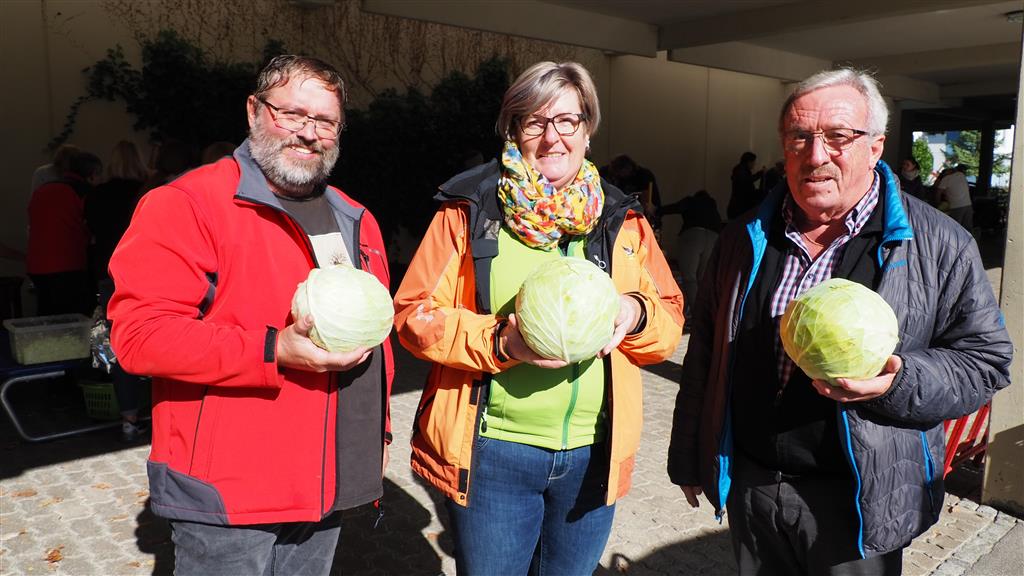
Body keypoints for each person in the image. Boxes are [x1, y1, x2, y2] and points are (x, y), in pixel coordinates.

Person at [667, 68, 1012, 575]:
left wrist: (899, 381)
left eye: (838, 136)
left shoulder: (941, 243)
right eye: (799, 137)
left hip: (858, 500)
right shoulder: (742, 236)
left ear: (875, 147)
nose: (816, 155)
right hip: (752, 485)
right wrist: (689, 453)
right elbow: (705, 353)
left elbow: (985, 362)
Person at [107, 55, 394, 575]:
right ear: (253, 110)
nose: (308, 133)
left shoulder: (356, 218)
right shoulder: (188, 204)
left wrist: (380, 436)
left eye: (325, 121)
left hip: (327, 486)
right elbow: (140, 336)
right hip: (230, 496)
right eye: (292, 114)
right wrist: (273, 349)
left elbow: (377, 339)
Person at [394, 61, 683, 575]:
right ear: (513, 129)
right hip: (494, 455)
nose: (553, 137)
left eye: (567, 120)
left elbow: (669, 318)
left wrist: (635, 312)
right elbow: (414, 314)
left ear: (587, 130)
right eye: (535, 122)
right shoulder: (470, 207)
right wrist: (500, 342)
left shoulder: (622, 217)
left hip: (592, 456)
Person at [86, 140, 150, 442]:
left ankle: (129, 417)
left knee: (120, 343)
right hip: (145, 271)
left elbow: (91, 232)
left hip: (109, 273)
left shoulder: (96, 194)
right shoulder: (147, 191)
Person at [27, 151, 102, 316]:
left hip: (37, 265)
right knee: (75, 316)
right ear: (92, 174)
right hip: (68, 263)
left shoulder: (43, 189)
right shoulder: (84, 192)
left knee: (47, 314)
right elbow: (94, 227)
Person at [658, 189, 722, 324]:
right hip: (713, 237)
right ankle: (707, 315)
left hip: (693, 236)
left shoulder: (691, 201)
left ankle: (697, 315)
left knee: (690, 278)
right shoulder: (713, 207)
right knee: (704, 279)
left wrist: (657, 210)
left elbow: (675, 207)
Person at [601, 154, 662, 228]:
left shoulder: (644, 176)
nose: (619, 176)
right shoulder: (606, 173)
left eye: (621, 173)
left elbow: (650, 202)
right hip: (619, 217)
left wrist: (652, 209)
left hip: (641, 217)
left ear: (628, 169)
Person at [726, 151, 765, 220]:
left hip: (736, 207)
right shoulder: (742, 172)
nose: (754, 164)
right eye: (753, 162)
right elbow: (747, 182)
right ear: (749, 162)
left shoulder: (739, 170)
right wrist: (760, 173)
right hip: (740, 208)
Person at [934, 163, 973, 231]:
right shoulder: (961, 175)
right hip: (968, 205)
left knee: (955, 228)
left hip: (956, 206)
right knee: (967, 228)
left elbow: (938, 193)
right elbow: (967, 188)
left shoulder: (946, 178)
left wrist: (937, 203)